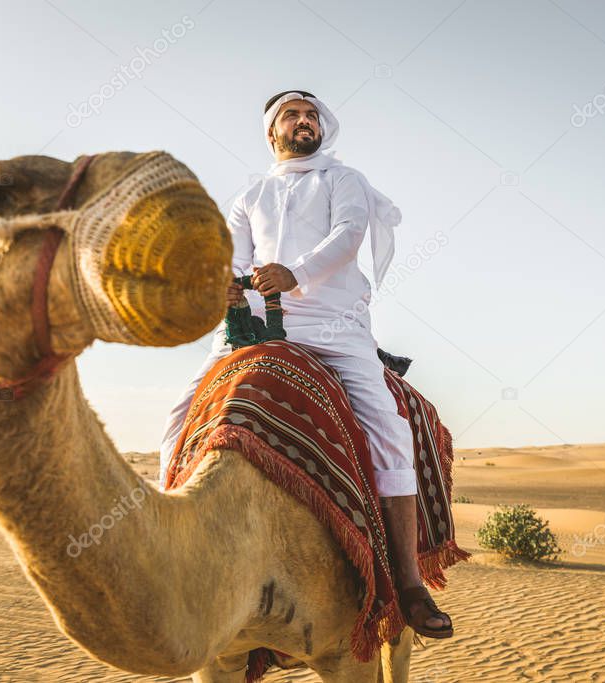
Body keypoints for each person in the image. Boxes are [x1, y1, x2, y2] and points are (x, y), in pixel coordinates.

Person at [158, 90, 452, 638]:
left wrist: (294, 273)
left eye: (312, 115)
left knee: (389, 426)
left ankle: (408, 582)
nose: (305, 122)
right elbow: (238, 261)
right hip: (259, 323)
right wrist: (227, 287)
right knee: (180, 415)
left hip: (336, 324)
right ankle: (167, 556)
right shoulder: (250, 195)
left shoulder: (343, 181)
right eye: (293, 115)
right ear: (273, 133)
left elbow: (348, 237)